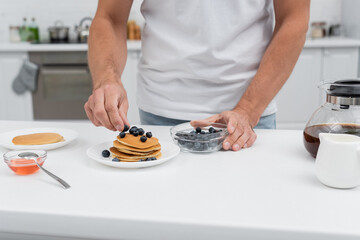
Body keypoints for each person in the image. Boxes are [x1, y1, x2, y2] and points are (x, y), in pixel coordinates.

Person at [85, 0, 310, 151]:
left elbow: (294, 19)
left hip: (249, 120)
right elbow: (110, 17)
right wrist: (107, 79)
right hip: (160, 111)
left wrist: (248, 110)